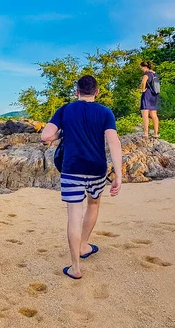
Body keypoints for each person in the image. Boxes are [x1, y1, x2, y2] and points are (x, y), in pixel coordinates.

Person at [41, 75, 123, 280]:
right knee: (93, 205)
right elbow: (114, 142)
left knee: (73, 216)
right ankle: (84, 245)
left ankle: (75, 267)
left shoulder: (66, 110)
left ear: (77, 92)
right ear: (97, 92)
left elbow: (45, 136)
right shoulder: (105, 112)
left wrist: (61, 133)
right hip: (96, 169)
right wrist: (119, 175)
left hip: (72, 169)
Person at [140, 61, 160, 138]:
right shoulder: (155, 73)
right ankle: (155, 133)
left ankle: (146, 133)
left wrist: (143, 90)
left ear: (144, 67)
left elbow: (143, 82)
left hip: (147, 94)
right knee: (154, 115)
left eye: (141, 67)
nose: (141, 69)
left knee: (145, 114)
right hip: (154, 94)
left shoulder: (146, 73)